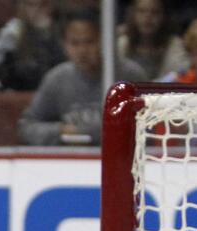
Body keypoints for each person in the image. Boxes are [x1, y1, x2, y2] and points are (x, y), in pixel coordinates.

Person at [19, 9, 146, 146]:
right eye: (75, 43)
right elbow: (27, 127)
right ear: (64, 45)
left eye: (89, 42)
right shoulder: (57, 79)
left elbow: (150, 126)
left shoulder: (130, 76)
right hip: (72, 161)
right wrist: (61, 131)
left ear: (104, 41)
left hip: (120, 158)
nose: (82, 50)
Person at [0, 0, 63, 93]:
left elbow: (62, 69)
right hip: (17, 94)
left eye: (42, 6)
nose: (37, 11)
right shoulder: (11, 33)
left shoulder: (58, 31)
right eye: (31, 5)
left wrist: (45, 36)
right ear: (23, 7)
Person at [117, 0, 188, 82]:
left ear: (164, 16)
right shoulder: (122, 43)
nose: (147, 17)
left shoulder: (175, 45)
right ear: (132, 14)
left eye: (155, 12)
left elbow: (178, 75)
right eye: (141, 11)